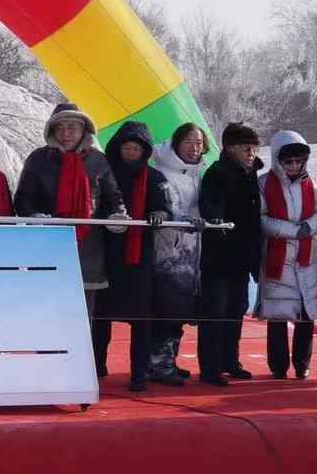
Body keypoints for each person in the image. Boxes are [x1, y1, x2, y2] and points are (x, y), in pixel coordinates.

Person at [14, 102, 126, 364]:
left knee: (83, 311)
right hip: (49, 246)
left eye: (72, 128)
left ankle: (77, 364)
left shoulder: (98, 160)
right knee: (47, 308)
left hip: (89, 246)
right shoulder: (39, 159)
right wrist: (34, 216)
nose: (66, 134)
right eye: (61, 128)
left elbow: (112, 196)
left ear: (84, 130)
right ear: (52, 130)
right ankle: (46, 362)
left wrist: (117, 214)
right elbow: (23, 199)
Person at [97, 120, 170, 392]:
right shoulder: (104, 174)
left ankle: (138, 375)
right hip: (105, 254)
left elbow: (166, 209)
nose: (130, 152)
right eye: (126, 147)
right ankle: (96, 366)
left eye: (135, 149)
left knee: (141, 319)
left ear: (145, 152)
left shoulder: (154, 178)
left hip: (139, 257)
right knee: (100, 317)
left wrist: (157, 216)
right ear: (117, 148)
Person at [256, 130, 317, 379]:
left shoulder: (313, 183)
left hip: (307, 256)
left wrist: (309, 228)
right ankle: (278, 366)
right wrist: (293, 231)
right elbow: (261, 218)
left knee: (306, 312)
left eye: (299, 161)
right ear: (278, 159)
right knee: (278, 313)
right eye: (289, 161)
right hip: (277, 255)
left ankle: (302, 362)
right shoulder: (263, 183)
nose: (294, 165)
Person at [197, 121, 264, 386]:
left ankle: (229, 360)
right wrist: (217, 220)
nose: (251, 154)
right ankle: (210, 368)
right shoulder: (217, 172)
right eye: (246, 148)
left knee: (236, 310)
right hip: (219, 255)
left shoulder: (251, 174)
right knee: (216, 312)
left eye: (254, 148)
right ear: (230, 148)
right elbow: (210, 206)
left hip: (243, 255)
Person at [148, 122, 208, 385]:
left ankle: (170, 360)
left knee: (181, 307)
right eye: (188, 143)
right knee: (167, 308)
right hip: (169, 250)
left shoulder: (196, 173)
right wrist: (186, 220)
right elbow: (170, 207)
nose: (194, 148)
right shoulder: (162, 172)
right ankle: (158, 365)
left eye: (198, 143)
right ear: (175, 144)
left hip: (191, 250)